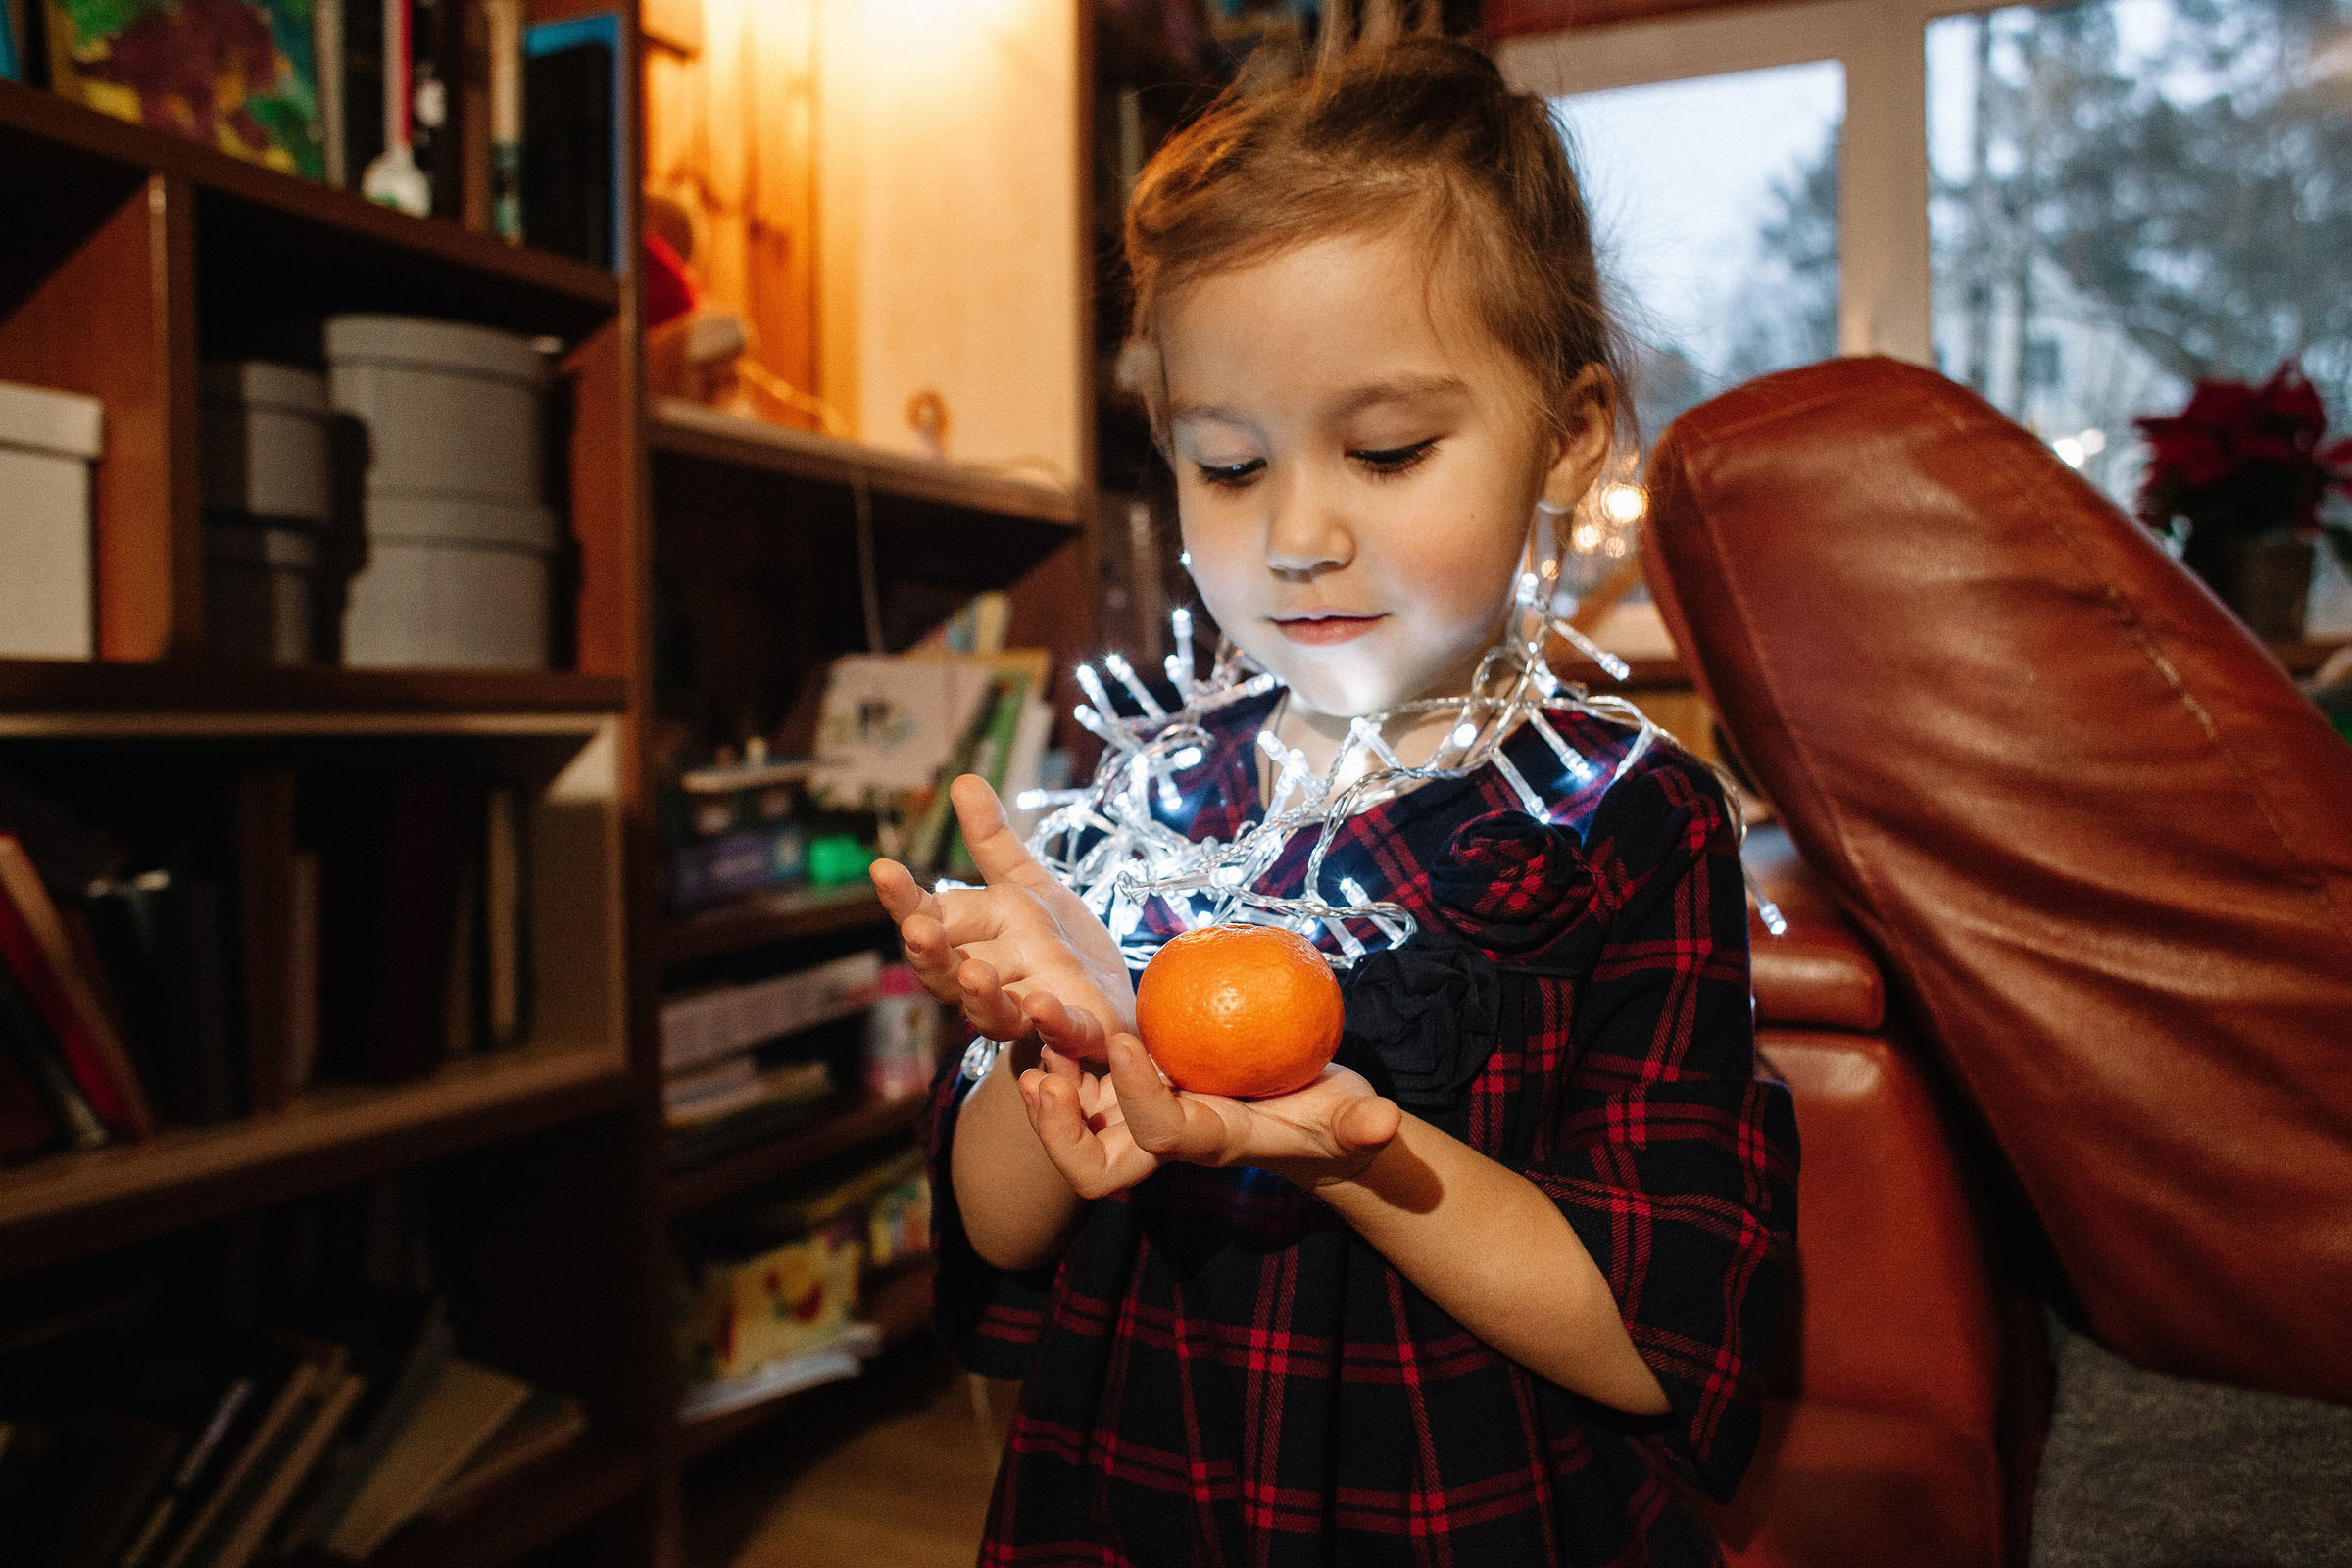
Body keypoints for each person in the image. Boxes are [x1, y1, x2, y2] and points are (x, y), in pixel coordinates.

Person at [869, 24, 1798, 1568]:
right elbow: (1001, 1234)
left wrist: (1354, 1155)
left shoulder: (1627, 822)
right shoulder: (1147, 795)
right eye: (1229, 465)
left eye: (1387, 449)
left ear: (1566, 439)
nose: (1298, 533)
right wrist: (1063, 1033)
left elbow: (1655, 1340)